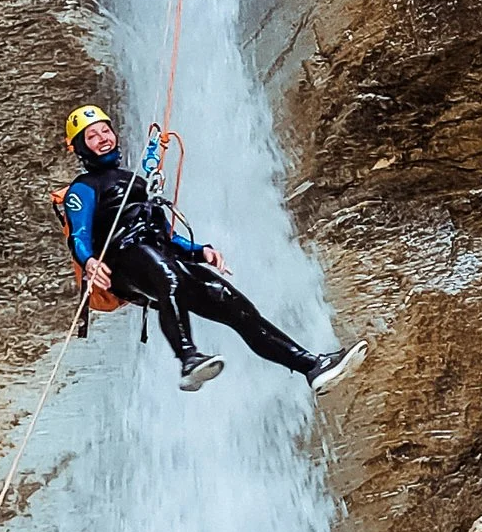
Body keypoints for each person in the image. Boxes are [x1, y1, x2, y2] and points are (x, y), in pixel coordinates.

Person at [59, 104, 364, 397]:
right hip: (123, 260)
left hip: (156, 255)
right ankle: (188, 358)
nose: (102, 139)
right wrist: (88, 261)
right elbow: (79, 234)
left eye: (105, 131)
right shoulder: (83, 188)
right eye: (92, 136)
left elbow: (166, 235)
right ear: (81, 148)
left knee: (231, 302)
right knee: (168, 277)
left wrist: (199, 250)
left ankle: (310, 366)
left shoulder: (136, 182)